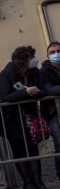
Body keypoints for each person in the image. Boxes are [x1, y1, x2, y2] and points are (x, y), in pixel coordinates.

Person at [0, 45, 47, 189]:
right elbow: (5, 97)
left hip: (30, 119)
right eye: (30, 58)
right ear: (23, 60)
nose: (34, 61)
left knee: (33, 151)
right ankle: (28, 183)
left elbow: (43, 90)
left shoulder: (34, 73)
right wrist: (26, 93)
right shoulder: (6, 73)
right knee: (20, 152)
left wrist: (34, 92)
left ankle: (38, 181)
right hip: (12, 120)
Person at [40, 41, 60, 181]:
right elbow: (48, 90)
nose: (56, 54)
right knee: (59, 144)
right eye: (52, 53)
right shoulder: (44, 71)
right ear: (47, 55)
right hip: (53, 113)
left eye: (58, 51)